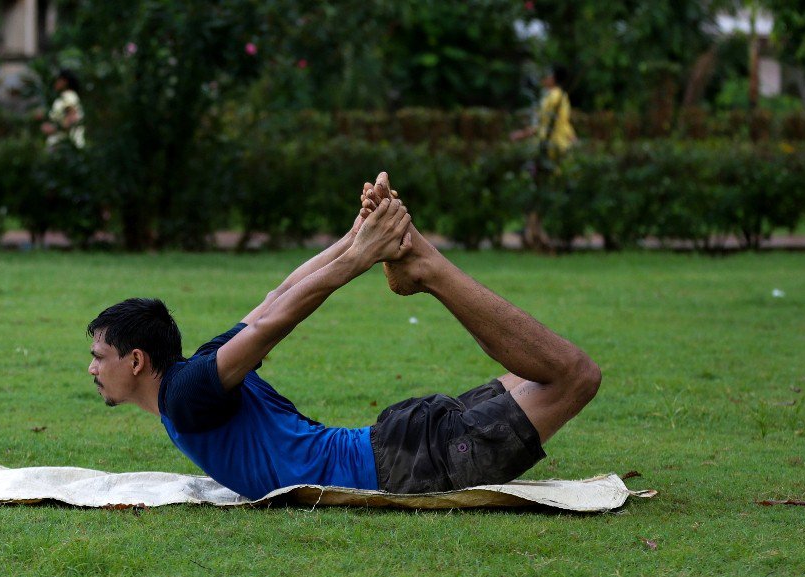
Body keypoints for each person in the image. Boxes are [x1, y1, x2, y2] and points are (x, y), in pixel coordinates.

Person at [86, 173, 601, 500]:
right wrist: (356, 237)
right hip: (398, 444)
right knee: (551, 375)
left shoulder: (188, 392)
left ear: (135, 360)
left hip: (404, 466)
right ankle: (413, 253)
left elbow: (272, 321)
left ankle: (426, 267)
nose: (91, 369)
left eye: (98, 356)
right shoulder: (197, 374)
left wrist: (359, 255)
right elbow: (277, 295)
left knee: (575, 376)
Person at [510, 65, 577, 251]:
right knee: (544, 188)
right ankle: (535, 231)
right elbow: (564, 123)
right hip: (558, 146)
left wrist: (522, 134)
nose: (543, 79)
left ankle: (533, 232)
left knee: (542, 189)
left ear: (553, 78)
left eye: (547, 76)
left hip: (550, 149)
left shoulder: (553, 98)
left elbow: (543, 125)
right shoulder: (561, 97)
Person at [39, 69, 85, 151]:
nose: (55, 83)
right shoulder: (64, 97)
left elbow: (72, 119)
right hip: (61, 144)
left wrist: (53, 128)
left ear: (65, 82)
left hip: (65, 146)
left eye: (58, 80)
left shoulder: (68, 96)